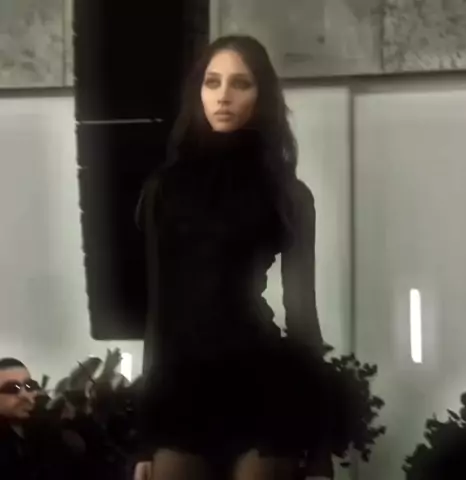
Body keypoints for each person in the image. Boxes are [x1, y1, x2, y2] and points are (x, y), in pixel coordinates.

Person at [136, 35, 335, 480]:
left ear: (261, 95)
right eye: (212, 82)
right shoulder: (164, 189)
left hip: (261, 384)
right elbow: (160, 309)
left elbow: (302, 310)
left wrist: (319, 444)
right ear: (198, 93)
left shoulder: (287, 193)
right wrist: (145, 440)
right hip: (184, 390)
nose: (223, 95)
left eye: (240, 83)